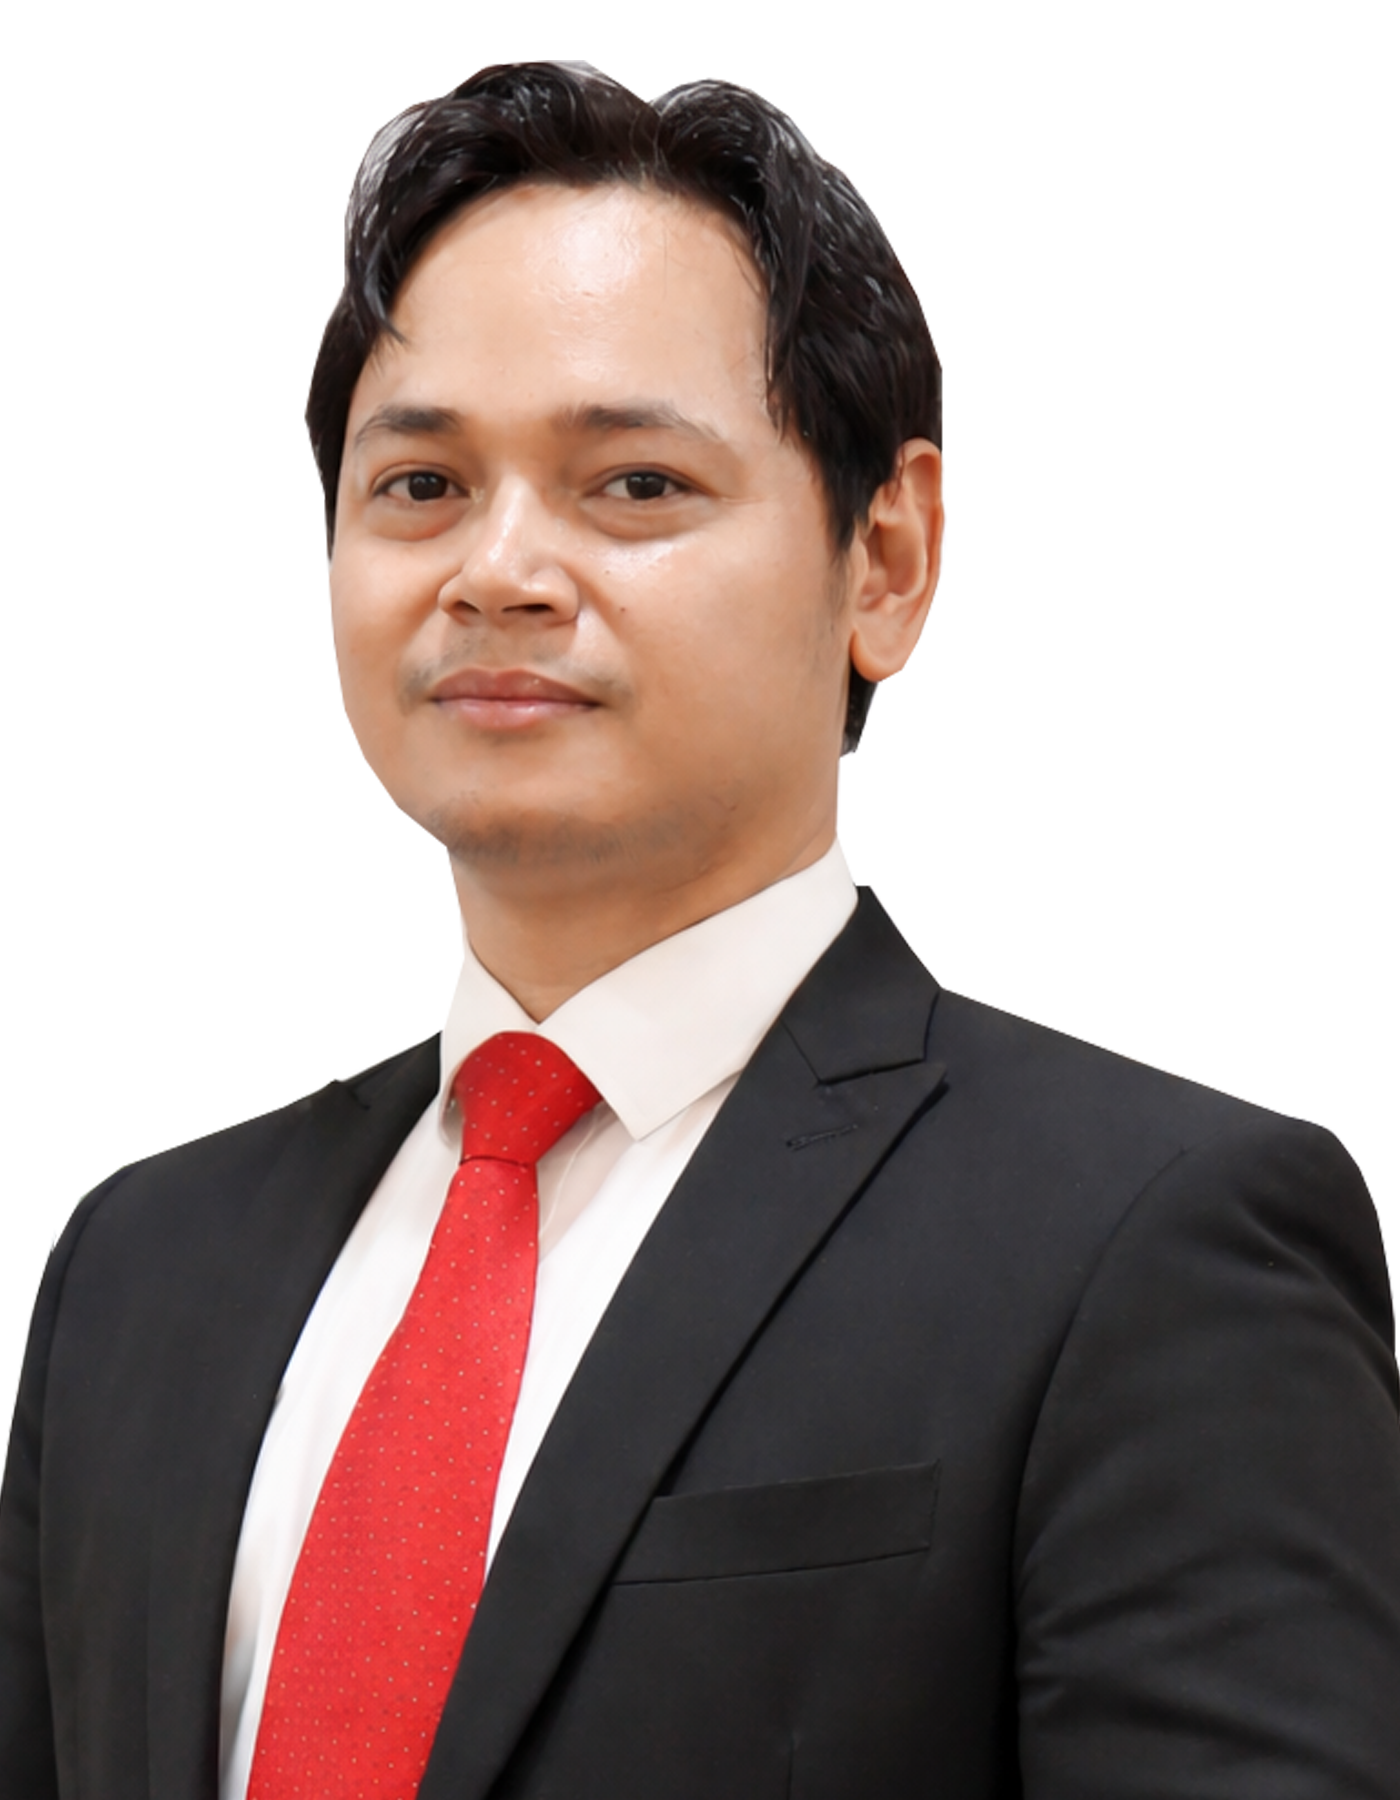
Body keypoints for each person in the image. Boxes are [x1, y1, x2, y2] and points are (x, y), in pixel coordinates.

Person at [2, 61, 1399, 1800]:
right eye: (420, 486)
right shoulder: (143, 1272)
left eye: (636, 484)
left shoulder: (1147, 1244)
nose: (497, 570)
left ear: (886, 560)